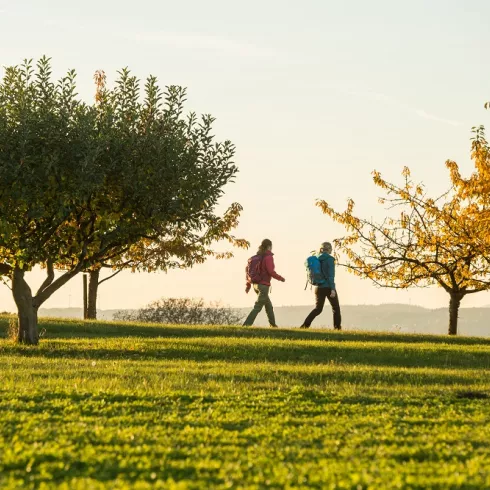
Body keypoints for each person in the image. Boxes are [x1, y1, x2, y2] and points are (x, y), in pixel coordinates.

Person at [243, 239, 285, 327]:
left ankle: (273, 325)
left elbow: (248, 271)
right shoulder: (268, 257)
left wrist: (248, 285)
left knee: (269, 306)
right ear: (269, 246)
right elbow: (271, 271)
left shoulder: (256, 257)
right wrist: (281, 278)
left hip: (256, 285)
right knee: (257, 307)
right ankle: (246, 325)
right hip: (263, 286)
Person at [301, 242, 341, 330]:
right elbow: (331, 275)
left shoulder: (317, 258)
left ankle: (304, 326)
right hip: (328, 287)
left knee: (318, 309)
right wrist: (333, 289)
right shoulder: (330, 259)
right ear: (329, 249)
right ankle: (337, 328)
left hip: (319, 287)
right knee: (336, 308)